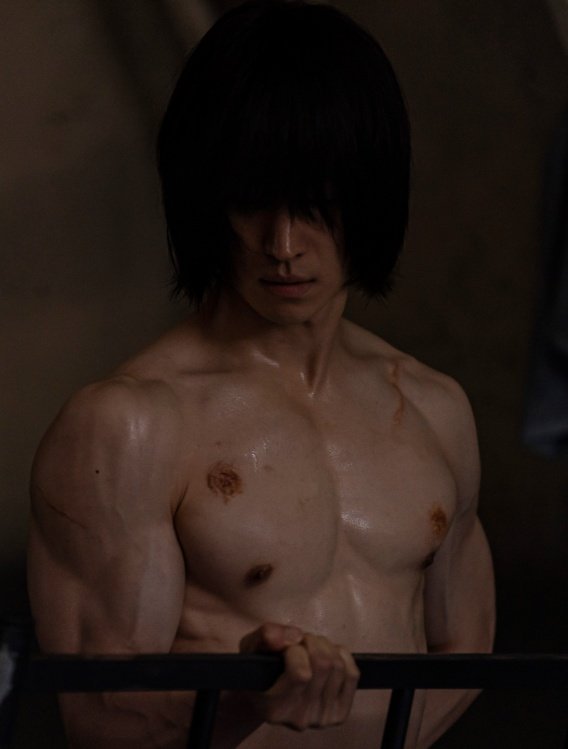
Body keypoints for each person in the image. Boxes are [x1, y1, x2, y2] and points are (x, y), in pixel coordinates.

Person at [27, 1, 495, 747]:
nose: (283, 244)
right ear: (207, 200)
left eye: (317, 206)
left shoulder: (434, 408)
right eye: (252, 203)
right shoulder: (130, 425)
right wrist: (247, 703)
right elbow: (98, 718)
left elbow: (466, 648)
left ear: (372, 196)